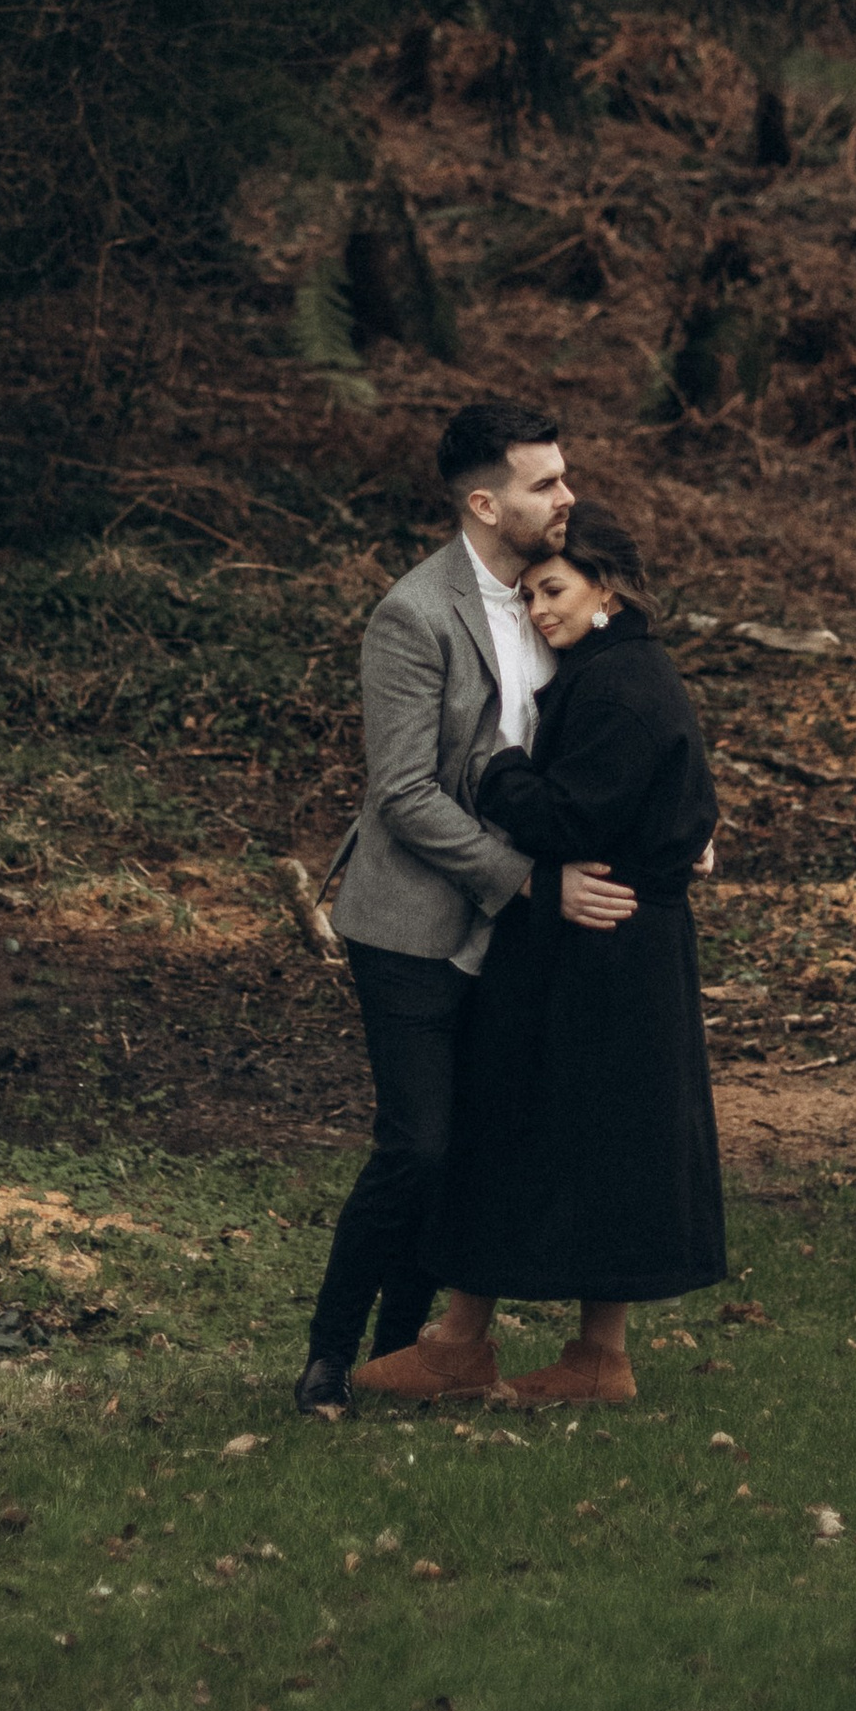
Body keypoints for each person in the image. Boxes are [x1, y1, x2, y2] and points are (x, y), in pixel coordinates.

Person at [295, 402, 640, 1417]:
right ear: (485, 504)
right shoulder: (413, 614)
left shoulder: (562, 600)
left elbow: (606, 730)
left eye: (565, 476)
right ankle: (325, 1354)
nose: (567, 496)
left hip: (521, 930)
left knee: (475, 1142)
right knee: (418, 1146)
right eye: (545, 483)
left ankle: (408, 1350)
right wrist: (528, 879)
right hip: (409, 918)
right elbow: (400, 793)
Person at [404, 500, 726, 1410]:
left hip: (606, 951)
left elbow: (569, 813)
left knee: (579, 1134)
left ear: (608, 593)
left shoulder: (623, 683)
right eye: (532, 593)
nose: (540, 609)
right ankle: (491, 1343)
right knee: (545, 1126)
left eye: (555, 590)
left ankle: (576, 1357)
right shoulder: (608, 671)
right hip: (596, 941)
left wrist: (492, 768)